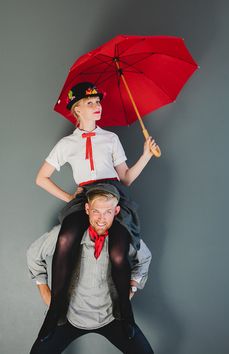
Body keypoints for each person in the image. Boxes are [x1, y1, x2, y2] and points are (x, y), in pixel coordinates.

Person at [35, 81, 159, 341]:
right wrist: (70, 196)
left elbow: (125, 178)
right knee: (66, 238)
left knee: (118, 253)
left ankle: (125, 313)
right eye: (89, 103)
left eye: (98, 102)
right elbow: (41, 178)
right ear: (76, 110)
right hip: (85, 197)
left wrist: (146, 154)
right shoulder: (67, 144)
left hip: (113, 194)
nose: (97, 106)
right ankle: (55, 311)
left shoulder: (110, 138)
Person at [28, 185, 154, 354]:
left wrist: (132, 287)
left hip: (110, 317)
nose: (101, 218)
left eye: (107, 212)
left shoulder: (123, 239)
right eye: (96, 211)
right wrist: (44, 290)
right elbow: (33, 254)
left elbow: (145, 258)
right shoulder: (65, 235)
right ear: (87, 209)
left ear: (116, 211)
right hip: (69, 317)